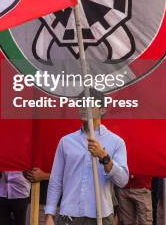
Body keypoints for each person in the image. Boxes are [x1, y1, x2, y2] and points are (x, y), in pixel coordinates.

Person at [45, 93, 129, 225]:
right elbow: (56, 179)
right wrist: (49, 214)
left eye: (89, 103)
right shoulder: (66, 141)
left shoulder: (116, 142)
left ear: (102, 109)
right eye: (81, 103)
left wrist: (104, 156)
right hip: (69, 215)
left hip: (100, 215)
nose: (84, 107)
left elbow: (122, 181)